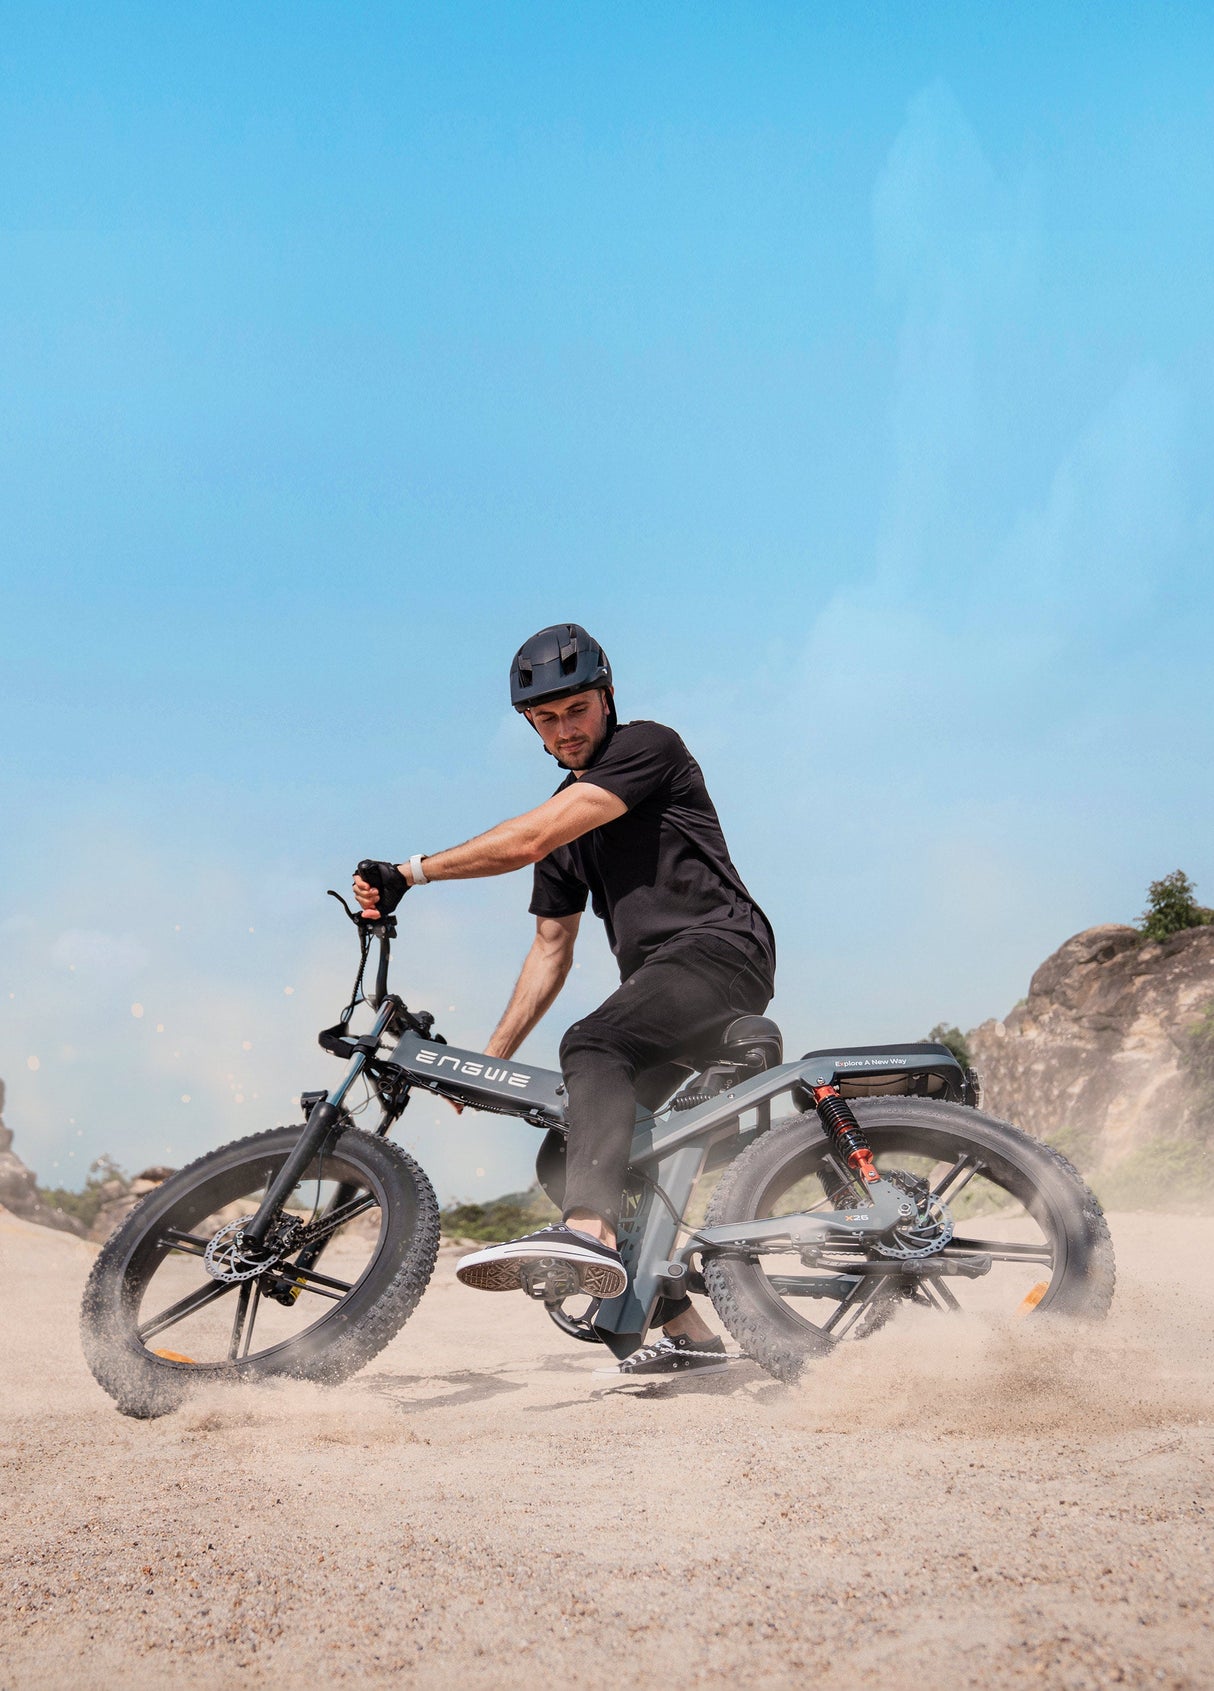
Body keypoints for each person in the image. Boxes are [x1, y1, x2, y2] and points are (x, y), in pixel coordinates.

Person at [354, 623, 776, 1376]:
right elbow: (551, 947)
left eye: (576, 709)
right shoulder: (565, 823)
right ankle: (683, 1326)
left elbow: (525, 839)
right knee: (565, 1146)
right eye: (544, 720)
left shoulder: (646, 747)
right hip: (665, 986)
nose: (565, 729)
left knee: (592, 1043)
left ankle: (589, 1233)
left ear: (607, 699)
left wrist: (411, 872)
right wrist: (491, 1059)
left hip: (719, 951)